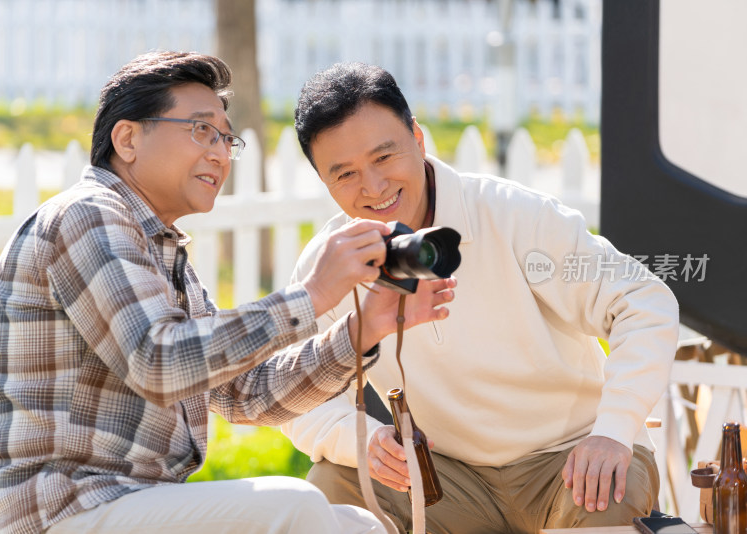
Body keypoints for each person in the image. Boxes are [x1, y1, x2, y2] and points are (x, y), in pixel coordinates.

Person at [0, 52, 457, 534]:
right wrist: (312, 296)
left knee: (358, 526)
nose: (219, 152)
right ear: (127, 139)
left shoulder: (161, 252)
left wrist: (359, 331)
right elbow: (158, 362)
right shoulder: (88, 217)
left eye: (226, 138)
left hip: (126, 504)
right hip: (54, 511)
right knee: (295, 509)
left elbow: (247, 395)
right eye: (201, 130)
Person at [280, 62, 680, 534]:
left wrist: (614, 432)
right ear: (323, 181)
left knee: (604, 493)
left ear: (418, 137)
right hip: (448, 478)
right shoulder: (331, 262)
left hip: (571, 459)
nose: (373, 187)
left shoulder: (513, 214)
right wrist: (355, 440)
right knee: (333, 483)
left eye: (384, 157)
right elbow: (292, 387)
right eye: (344, 174)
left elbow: (643, 301)